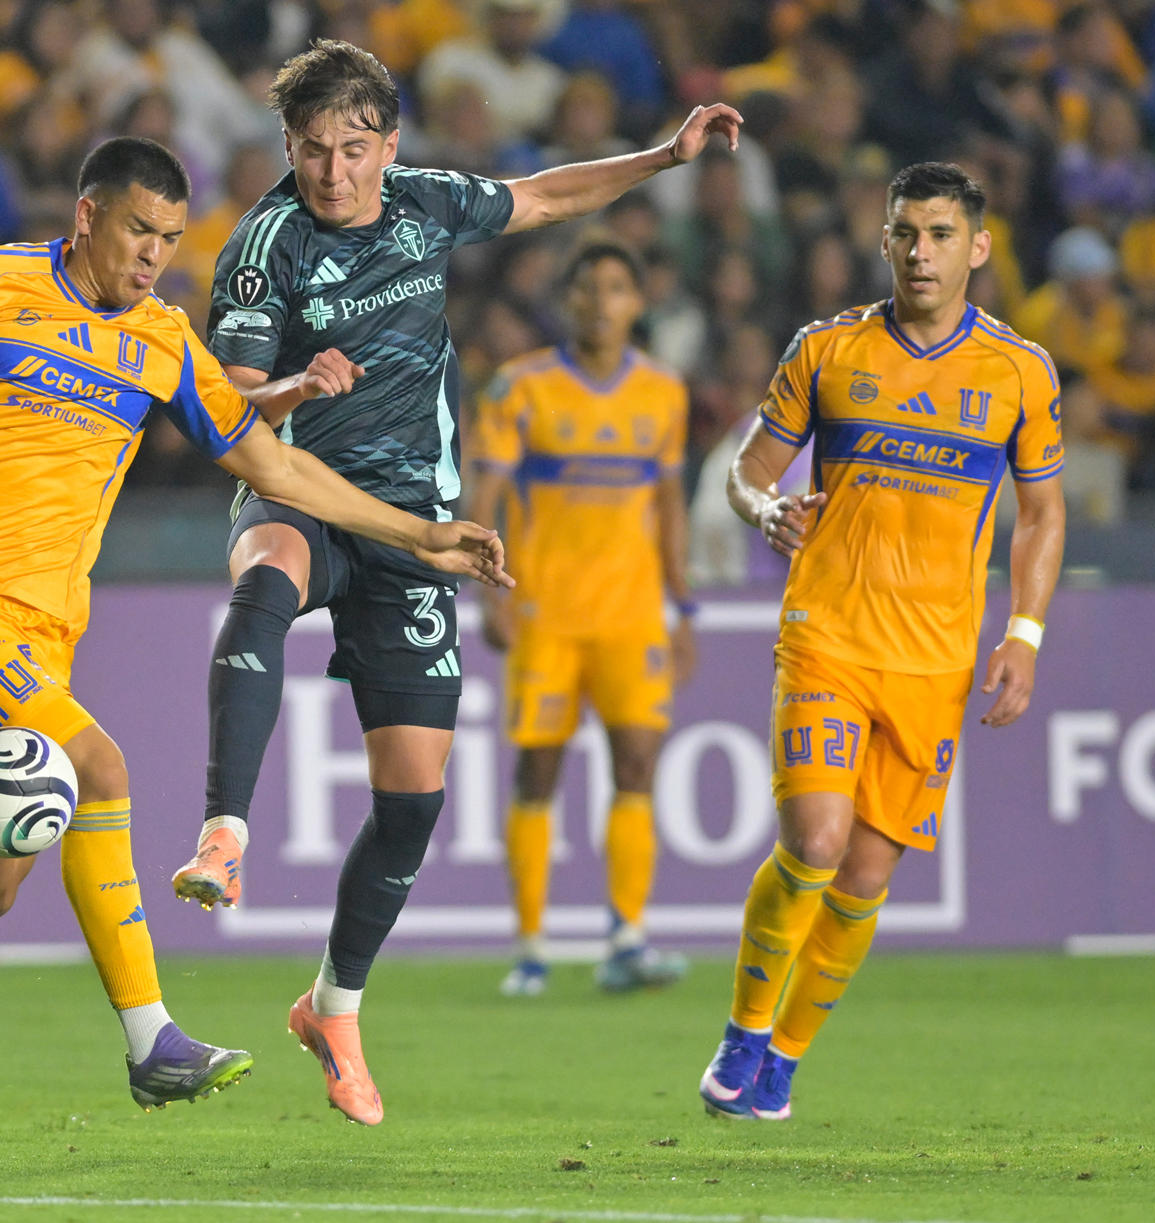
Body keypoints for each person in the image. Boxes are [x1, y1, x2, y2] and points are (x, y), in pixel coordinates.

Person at [0, 137, 508, 1146]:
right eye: (140, 229)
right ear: (87, 214)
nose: (153, 256)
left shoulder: (164, 339)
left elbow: (271, 463)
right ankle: (152, 1039)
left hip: (43, 636)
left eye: (172, 239)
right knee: (98, 766)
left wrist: (419, 529)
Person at [169, 37, 738, 1125]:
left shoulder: (428, 203)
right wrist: (299, 380)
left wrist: (664, 156)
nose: (331, 172)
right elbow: (231, 418)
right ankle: (224, 831)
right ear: (287, 146)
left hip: (419, 528)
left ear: (387, 142)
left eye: (350, 149)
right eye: (310, 150)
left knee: (414, 800)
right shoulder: (263, 246)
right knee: (265, 573)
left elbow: (541, 197)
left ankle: (334, 1003)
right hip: (302, 491)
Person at [697, 162, 1066, 1121]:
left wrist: (1024, 631)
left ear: (978, 247)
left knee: (865, 873)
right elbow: (749, 468)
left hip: (937, 659)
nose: (921, 252)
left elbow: (1040, 515)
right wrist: (765, 506)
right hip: (826, 636)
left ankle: (784, 1057)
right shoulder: (827, 351)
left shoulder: (1020, 371)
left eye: (942, 234)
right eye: (906, 232)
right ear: (885, 241)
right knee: (813, 842)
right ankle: (741, 1030)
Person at [465, 242, 696, 997]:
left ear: (638, 302)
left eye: (618, 287)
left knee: (637, 766)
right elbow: (487, 494)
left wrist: (683, 605)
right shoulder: (520, 387)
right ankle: (529, 946)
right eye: (588, 287)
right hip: (546, 613)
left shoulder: (664, 393)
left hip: (632, 615)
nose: (602, 301)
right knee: (538, 773)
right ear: (568, 301)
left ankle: (627, 938)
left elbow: (668, 508)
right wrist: (486, 589)